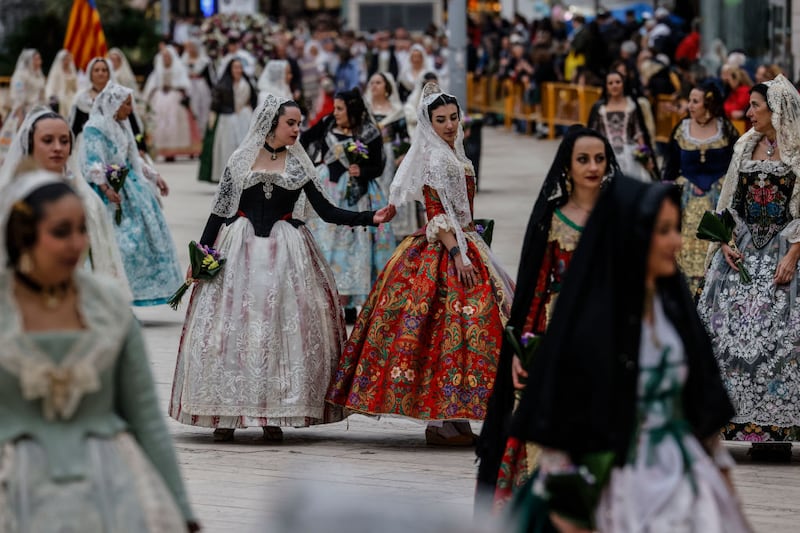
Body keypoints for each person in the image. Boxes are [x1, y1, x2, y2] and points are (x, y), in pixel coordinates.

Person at [508, 178, 750, 533]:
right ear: (631, 236)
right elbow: (562, 437)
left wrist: (731, 504)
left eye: (676, 229)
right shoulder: (591, 325)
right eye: (663, 231)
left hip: (684, 480)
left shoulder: (675, 311)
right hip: (615, 485)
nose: (677, 242)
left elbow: (703, 414)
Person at [169, 94, 395, 442]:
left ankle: (273, 414)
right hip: (240, 250)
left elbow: (327, 211)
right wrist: (201, 256)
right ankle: (224, 414)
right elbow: (218, 213)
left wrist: (370, 218)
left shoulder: (298, 165)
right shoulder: (241, 160)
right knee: (231, 332)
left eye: (299, 123)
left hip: (286, 253)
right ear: (271, 123)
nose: (297, 129)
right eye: (291, 123)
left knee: (279, 331)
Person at [0, 171, 198, 532]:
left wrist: (182, 510)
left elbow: (146, 419)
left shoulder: (107, 304)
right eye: (61, 232)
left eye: (82, 230)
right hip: (15, 493)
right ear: (23, 237)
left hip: (109, 488)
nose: (77, 244)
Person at [325, 83, 514, 445]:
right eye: (440, 120)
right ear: (428, 123)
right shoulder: (436, 159)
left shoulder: (454, 154)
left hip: (466, 240)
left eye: (453, 118)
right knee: (445, 330)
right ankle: (440, 422)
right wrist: (457, 253)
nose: (449, 125)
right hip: (446, 246)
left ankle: (455, 419)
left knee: (462, 332)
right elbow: (436, 213)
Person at [476, 126, 619, 510]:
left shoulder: (618, 219)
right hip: (556, 337)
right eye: (583, 159)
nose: (592, 167)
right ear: (567, 166)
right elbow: (533, 293)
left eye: (599, 159)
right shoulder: (551, 220)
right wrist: (522, 352)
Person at [698, 75, 800, 456]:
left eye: (755, 105)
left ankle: (778, 429)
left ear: (776, 110)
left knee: (783, 337)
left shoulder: (798, 150)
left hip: (786, 251)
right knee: (727, 332)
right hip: (742, 251)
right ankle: (736, 423)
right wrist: (724, 240)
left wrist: (793, 253)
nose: (748, 112)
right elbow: (730, 203)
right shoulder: (744, 146)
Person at [0, 106, 130, 296]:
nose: (57, 148)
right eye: (47, 140)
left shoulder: (87, 196)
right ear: (30, 144)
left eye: (64, 141)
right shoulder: (14, 197)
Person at [80, 82, 183, 306]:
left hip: (131, 187)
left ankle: (139, 291)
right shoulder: (95, 127)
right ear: (114, 104)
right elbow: (93, 162)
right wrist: (106, 188)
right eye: (126, 104)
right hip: (109, 190)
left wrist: (155, 177)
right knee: (118, 242)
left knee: (144, 240)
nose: (130, 109)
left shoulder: (123, 126)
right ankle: (113, 292)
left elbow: (133, 159)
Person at [300, 88, 395, 319]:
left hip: (358, 196)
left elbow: (378, 166)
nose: (336, 112)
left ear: (352, 109)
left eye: (340, 108)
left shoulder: (369, 132)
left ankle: (352, 301)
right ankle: (331, 297)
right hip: (328, 189)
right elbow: (303, 140)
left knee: (354, 247)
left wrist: (361, 170)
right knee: (326, 244)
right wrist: (317, 163)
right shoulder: (328, 123)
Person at [663, 82, 739, 295]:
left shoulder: (725, 128)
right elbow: (670, 167)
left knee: (717, 245)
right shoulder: (682, 129)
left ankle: (714, 293)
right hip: (687, 199)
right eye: (690, 101)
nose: (690, 106)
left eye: (695, 101)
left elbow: (736, 163)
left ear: (709, 104)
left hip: (719, 199)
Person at [364, 71, 417, 239]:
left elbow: (405, 137)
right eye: (372, 83)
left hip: (390, 156)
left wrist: (402, 155)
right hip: (368, 155)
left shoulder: (397, 112)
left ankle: (393, 230)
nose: (374, 86)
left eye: (378, 83)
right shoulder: (365, 112)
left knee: (391, 191)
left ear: (387, 87)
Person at [588, 71, 659, 182]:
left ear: (623, 84)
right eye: (610, 83)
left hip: (629, 155)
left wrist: (645, 156)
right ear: (606, 86)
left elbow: (638, 132)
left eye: (617, 82)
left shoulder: (631, 105)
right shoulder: (600, 108)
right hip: (606, 155)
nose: (614, 85)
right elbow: (593, 133)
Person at [68, 57, 146, 155]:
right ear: (90, 74)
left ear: (109, 73)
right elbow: (75, 125)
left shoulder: (118, 95)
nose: (100, 73)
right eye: (96, 70)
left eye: (104, 70)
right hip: (89, 145)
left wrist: (140, 146)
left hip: (115, 145)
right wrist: (69, 147)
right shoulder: (81, 98)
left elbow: (131, 121)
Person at [198, 59, 257, 183]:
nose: (238, 70)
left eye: (240, 67)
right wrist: (212, 118)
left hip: (244, 118)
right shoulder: (223, 85)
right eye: (235, 67)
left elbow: (253, 100)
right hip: (227, 120)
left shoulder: (247, 84)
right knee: (227, 148)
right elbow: (215, 104)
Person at [143, 46, 201, 161]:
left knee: (176, 123)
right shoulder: (158, 70)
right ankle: (161, 150)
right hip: (160, 98)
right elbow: (151, 85)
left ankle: (177, 150)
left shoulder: (179, 68)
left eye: (168, 56)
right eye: (164, 57)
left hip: (175, 98)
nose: (166, 59)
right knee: (159, 123)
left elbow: (186, 85)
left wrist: (176, 88)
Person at [0, 49, 46, 166]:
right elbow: (17, 94)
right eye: (36, 59)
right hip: (24, 111)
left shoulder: (38, 74)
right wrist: (20, 114)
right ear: (29, 60)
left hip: (39, 110)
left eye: (39, 59)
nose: (39, 61)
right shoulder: (21, 75)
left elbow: (42, 93)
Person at [182, 39, 214, 132]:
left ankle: (203, 130)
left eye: (191, 46)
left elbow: (210, 78)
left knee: (203, 109)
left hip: (202, 88)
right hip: (188, 87)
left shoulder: (205, 61)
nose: (190, 49)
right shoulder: (183, 60)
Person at [45, 50, 78, 115]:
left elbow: (76, 87)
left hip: (72, 96)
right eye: (65, 59)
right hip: (61, 97)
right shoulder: (57, 72)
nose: (67, 61)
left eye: (68, 59)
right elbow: (51, 86)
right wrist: (51, 96)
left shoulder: (72, 71)